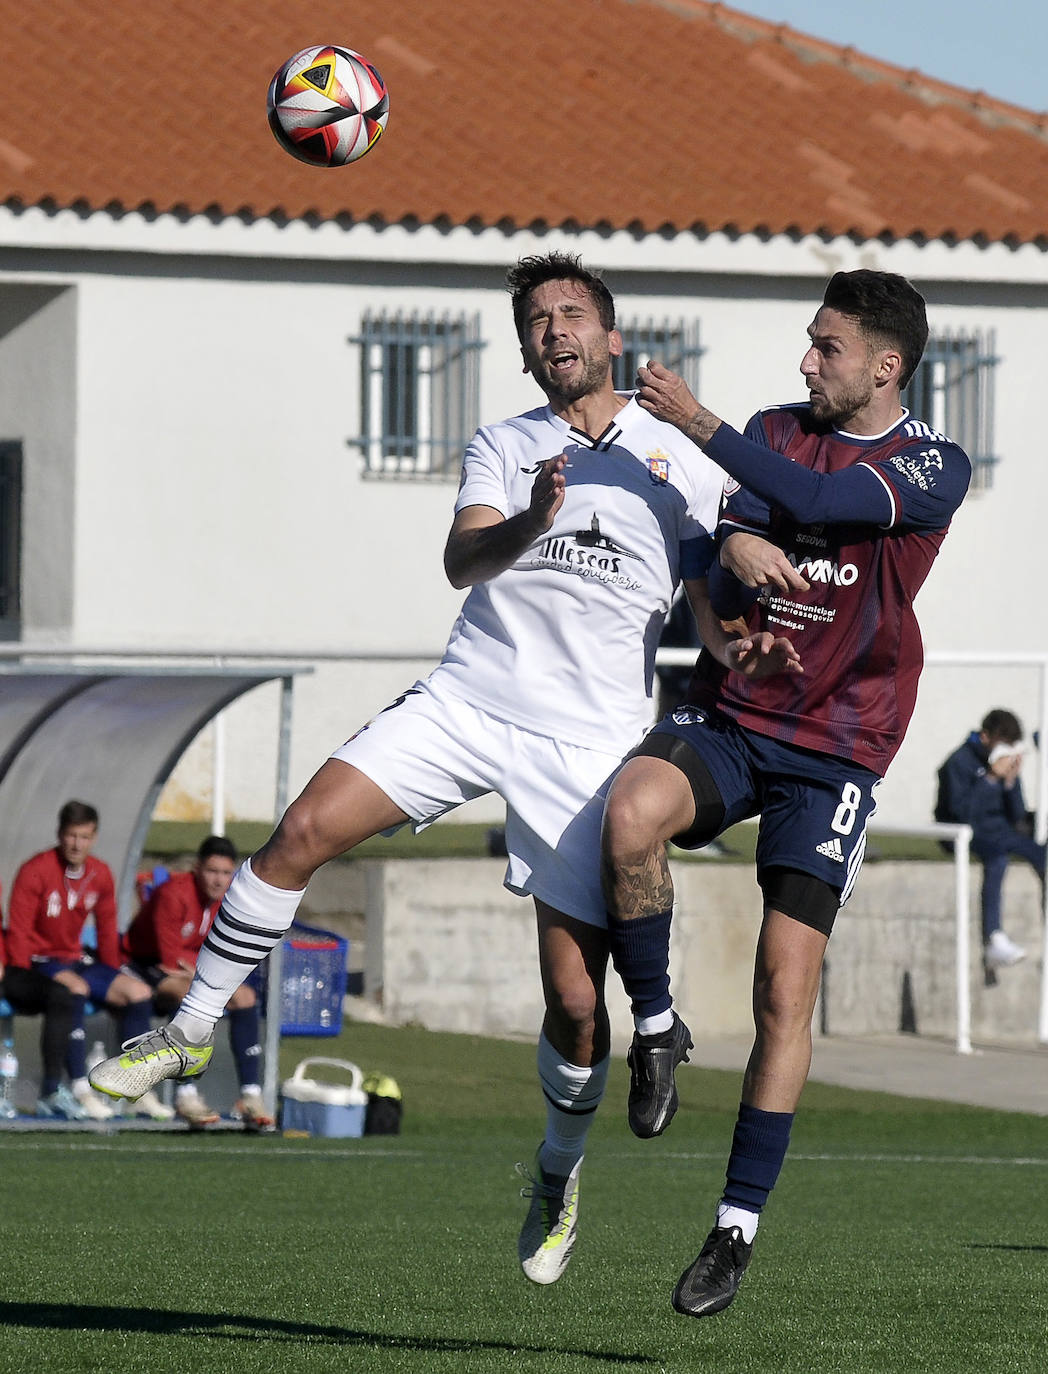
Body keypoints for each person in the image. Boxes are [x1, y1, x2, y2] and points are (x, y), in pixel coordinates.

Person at [91, 250, 797, 1283]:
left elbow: (707, 597)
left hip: (590, 740)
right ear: (524, 354)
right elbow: (462, 563)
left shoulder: (679, 453)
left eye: (571, 314)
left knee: (571, 1003)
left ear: (611, 337)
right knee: (297, 835)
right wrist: (530, 516)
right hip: (471, 697)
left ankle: (557, 1175)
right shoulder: (503, 445)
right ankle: (191, 1029)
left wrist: (739, 645)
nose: (554, 330)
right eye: (536, 322)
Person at [599, 269, 971, 1318]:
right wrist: (731, 553)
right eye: (808, 344)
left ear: (884, 366)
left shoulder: (931, 464)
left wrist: (694, 421)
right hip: (736, 716)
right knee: (628, 815)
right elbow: (732, 549)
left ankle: (732, 1228)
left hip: (837, 750)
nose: (807, 362)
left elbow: (811, 503)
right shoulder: (774, 427)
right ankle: (659, 1025)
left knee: (781, 986)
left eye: (826, 347)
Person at [6, 800, 157, 1120]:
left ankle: (137, 1087)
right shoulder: (36, 870)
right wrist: (20, 971)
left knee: (138, 992)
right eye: (72, 835)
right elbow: (18, 929)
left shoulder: (99, 873)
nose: (77, 844)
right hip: (40, 962)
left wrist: (113, 975)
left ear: (94, 837)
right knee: (75, 988)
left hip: (77, 960)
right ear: (60, 834)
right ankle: (78, 1087)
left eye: (85, 837)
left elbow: (106, 929)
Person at [124, 835, 272, 1128]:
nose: (219, 880)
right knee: (190, 995)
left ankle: (250, 1095)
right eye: (212, 871)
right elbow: (169, 960)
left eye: (225, 873)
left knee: (245, 998)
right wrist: (210, 971)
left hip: (193, 971)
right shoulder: (173, 894)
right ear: (196, 869)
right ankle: (186, 1094)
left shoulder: (230, 900)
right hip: (146, 967)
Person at [935, 709, 1045, 967]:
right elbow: (960, 812)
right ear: (985, 737)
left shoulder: (1003, 763)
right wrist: (991, 778)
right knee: (997, 858)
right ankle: (993, 938)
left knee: (1041, 853)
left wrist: (1009, 782)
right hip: (963, 833)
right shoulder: (959, 762)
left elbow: (1017, 815)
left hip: (998, 830)